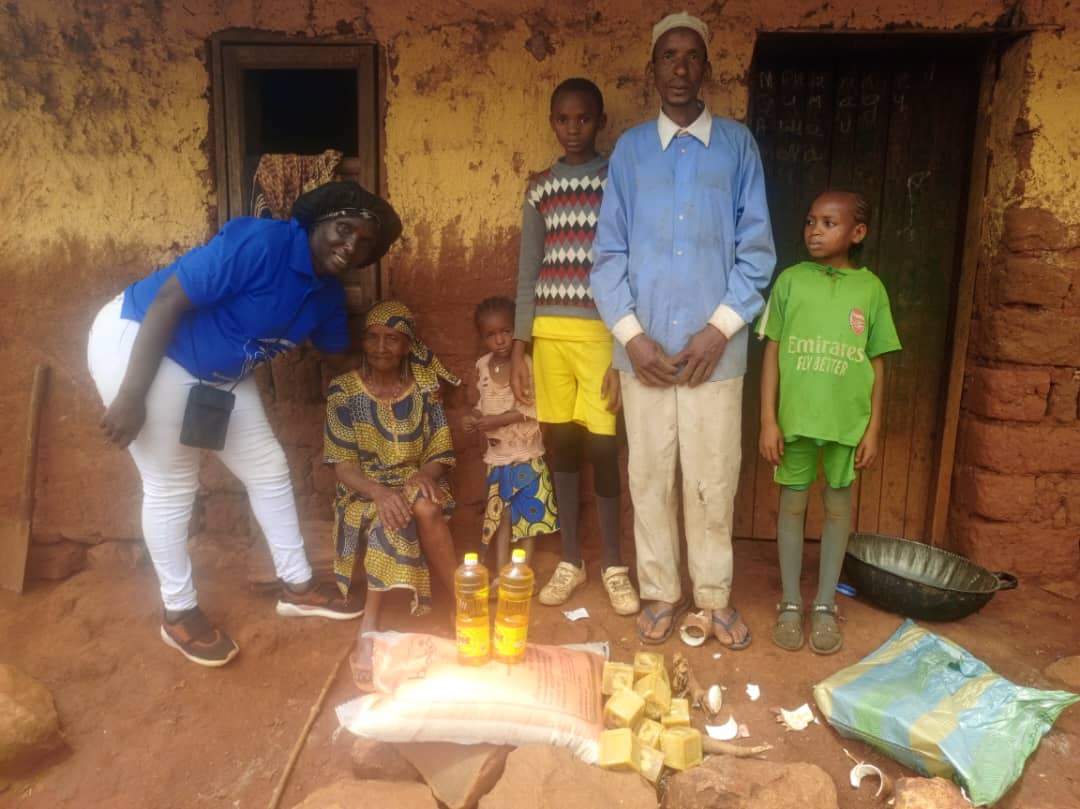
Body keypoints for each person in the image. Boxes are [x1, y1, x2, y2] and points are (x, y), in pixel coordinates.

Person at [88, 181, 401, 668]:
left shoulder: (324, 294)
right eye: (344, 229)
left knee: (269, 468)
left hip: (221, 375)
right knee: (171, 483)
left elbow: (339, 357)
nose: (350, 246)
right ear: (318, 222)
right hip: (143, 344)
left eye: (364, 244)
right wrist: (131, 394)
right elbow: (168, 299)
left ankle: (298, 586)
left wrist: (398, 371)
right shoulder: (261, 243)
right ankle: (178, 612)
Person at [591, 12, 776, 647]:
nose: (679, 67)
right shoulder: (631, 151)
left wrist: (718, 330)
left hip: (713, 356)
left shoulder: (737, 147)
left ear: (707, 69)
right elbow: (608, 256)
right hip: (642, 355)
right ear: (652, 70)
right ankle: (662, 592)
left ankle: (715, 598)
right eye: (667, 56)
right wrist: (632, 337)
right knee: (648, 477)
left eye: (691, 56)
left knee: (712, 479)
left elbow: (757, 253)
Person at [510, 77, 639, 616]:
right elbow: (528, 270)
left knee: (604, 448)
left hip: (601, 336)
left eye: (584, 118)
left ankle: (613, 565)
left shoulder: (617, 181)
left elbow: (631, 265)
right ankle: (570, 560)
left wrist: (623, 352)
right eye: (563, 119)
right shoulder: (540, 188)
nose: (573, 128)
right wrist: (520, 346)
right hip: (549, 338)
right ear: (551, 123)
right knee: (560, 446)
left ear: (600, 122)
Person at [757, 190, 901, 654]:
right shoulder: (790, 282)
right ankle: (789, 602)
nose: (814, 231)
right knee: (792, 507)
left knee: (839, 508)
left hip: (846, 423)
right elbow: (773, 351)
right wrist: (768, 420)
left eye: (828, 223)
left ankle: (823, 603)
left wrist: (873, 428)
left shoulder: (871, 290)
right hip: (795, 420)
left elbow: (878, 362)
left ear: (857, 233)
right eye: (810, 221)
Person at [323, 300, 460, 677]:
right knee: (392, 514)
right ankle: (370, 623)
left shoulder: (425, 390)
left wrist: (426, 473)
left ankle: (460, 603)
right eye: (373, 338)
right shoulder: (343, 391)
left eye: (392, 339)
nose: (381, 347)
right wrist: (378, 492)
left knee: (426, 506)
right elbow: (342, 464)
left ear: (407, 346)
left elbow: (441, 449)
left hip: (414, 482)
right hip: (362, 491)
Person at [463, 297, 558, 585]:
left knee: (528, 516)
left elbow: (535, 409)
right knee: (501, 516)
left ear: (517, 331)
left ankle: (522, 573)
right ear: (483, 338)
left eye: (506, 331)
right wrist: (474, 418)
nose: (500, 340)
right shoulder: (482, 366)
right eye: (491, 334)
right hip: (499, 458)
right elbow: (480, 403)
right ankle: (502, 572)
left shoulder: (526, 364)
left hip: (527, 454)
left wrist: (497, 421)